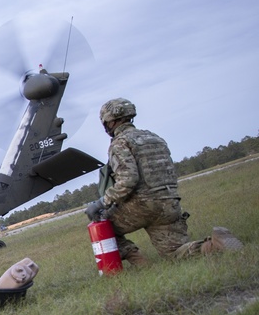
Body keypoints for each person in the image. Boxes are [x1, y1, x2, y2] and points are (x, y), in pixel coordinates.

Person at [85, 98, 242, 265]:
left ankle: (139, 262)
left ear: (110, 121)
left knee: (102, 224)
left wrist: (101, 203)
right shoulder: (155, 138)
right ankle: (214, 245)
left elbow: (128, 180)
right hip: (169, 204)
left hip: (141, 206)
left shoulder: (119, 143)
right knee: (174, 253)